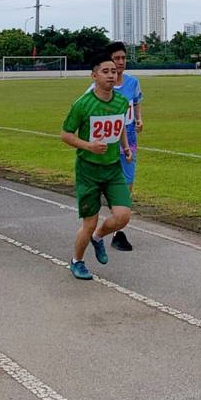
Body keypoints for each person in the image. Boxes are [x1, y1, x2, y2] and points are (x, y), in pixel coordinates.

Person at [60, 53, 133, 280]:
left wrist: (125, 146)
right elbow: (65, 135)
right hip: (88, 170)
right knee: (89, 222)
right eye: (106, 71)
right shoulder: (82, 104)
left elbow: (119, 125)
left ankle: (99, 238)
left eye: (114, 71)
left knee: (123, 216)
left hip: (112, 168)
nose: (111, 75)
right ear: (94, 75)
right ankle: (77, 261)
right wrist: (88, 146)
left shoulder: (121, 101)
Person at [106, 41, 144, 252]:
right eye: (116, 58)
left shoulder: (133, 82)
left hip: (129, 143)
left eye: (123, 58)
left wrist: (139, 119)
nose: (120, 62)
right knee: (111, 187)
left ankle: (117, 231)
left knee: (127, 187)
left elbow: (136, 103)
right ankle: (108, 228)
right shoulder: (100, 86)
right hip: (108, 146)